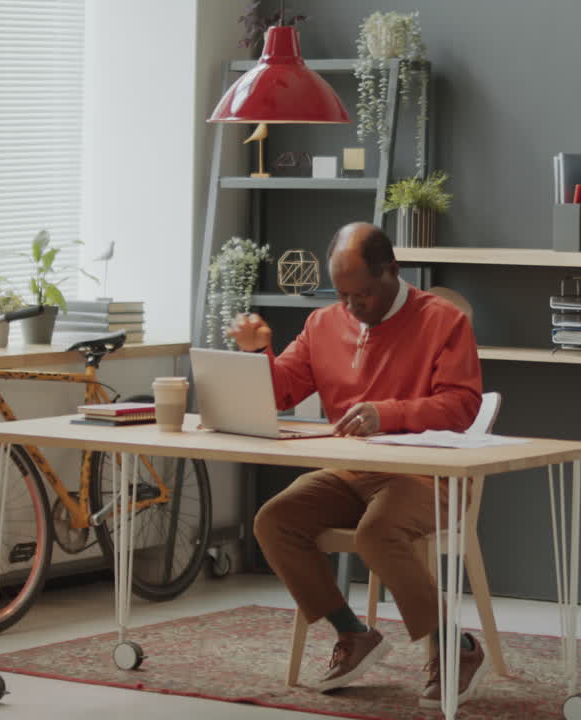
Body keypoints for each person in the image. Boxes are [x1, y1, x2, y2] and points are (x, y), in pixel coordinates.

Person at [230, 221, 486, 708]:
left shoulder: (443, 321)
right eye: (342, 294)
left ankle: (457, 647)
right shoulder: (324, 323)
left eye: (362, 294)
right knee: (275, 521)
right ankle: (353, 634)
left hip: (428, 476)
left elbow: (461, 406)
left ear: (393, 270)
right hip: (350, 473)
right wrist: (255, 352)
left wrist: (386, 412)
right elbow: (283, 389)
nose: (351, 306)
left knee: (376, 532)